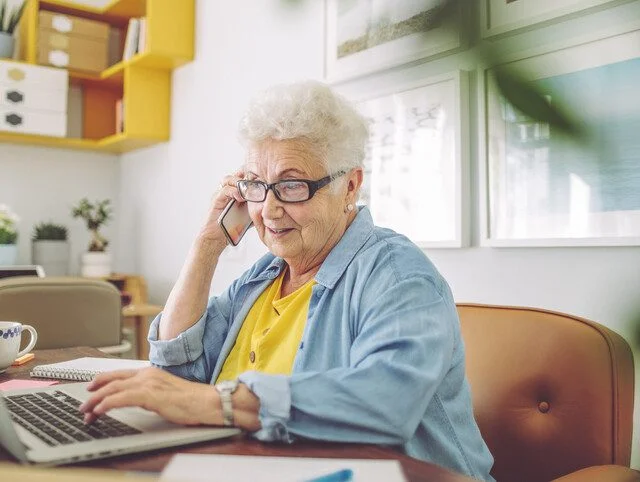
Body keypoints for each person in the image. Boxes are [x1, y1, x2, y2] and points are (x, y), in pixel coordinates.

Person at [79, 81, 494, 480]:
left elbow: (387, 403)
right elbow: (176, 372)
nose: (269, 210)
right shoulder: (264, 275)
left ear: (350, 185)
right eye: (257, 186)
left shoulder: (398, 274)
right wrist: (206, 245)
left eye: (292, 186)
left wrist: (218, 402)